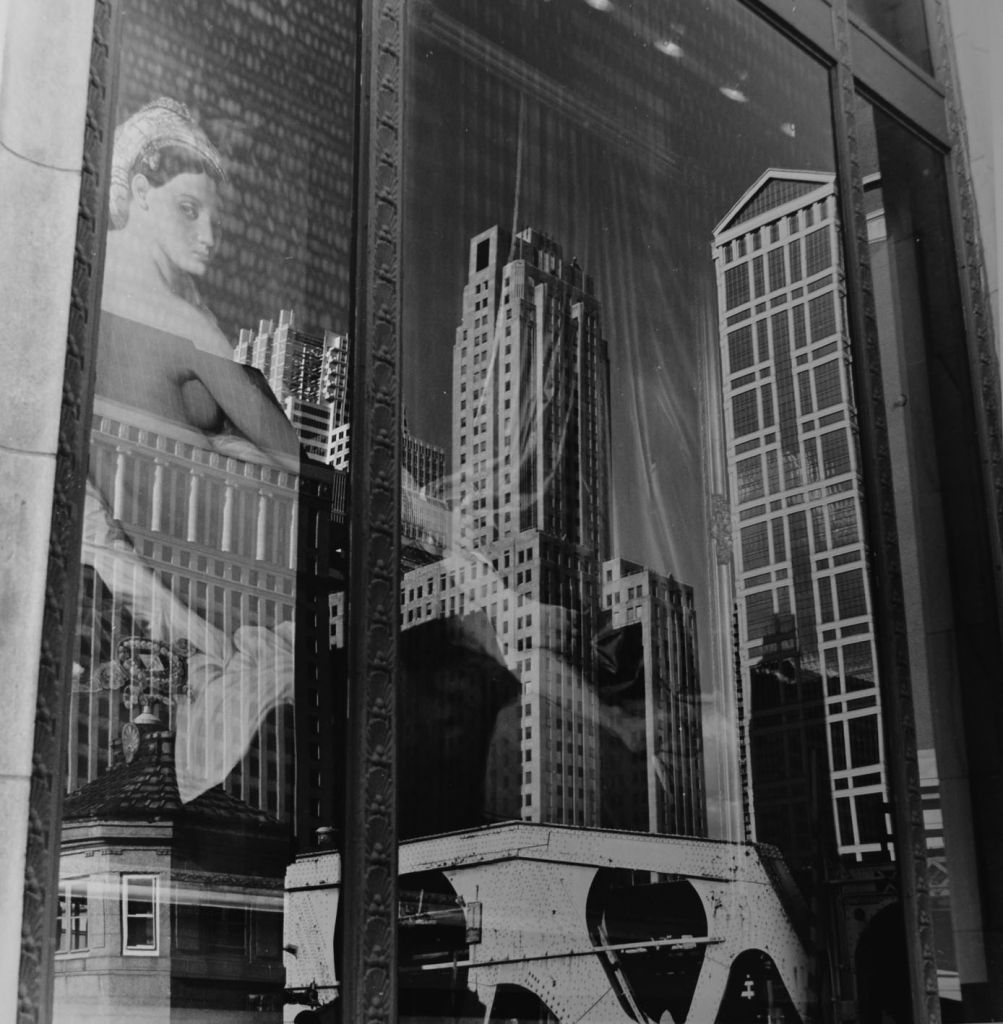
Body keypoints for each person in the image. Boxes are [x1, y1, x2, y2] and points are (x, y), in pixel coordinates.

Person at [77, 98, 301, 802]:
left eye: (214, 217)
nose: (210, 236)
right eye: (188, 210)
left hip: (187, 586)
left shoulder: (85, 313)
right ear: (139, 194)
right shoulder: (177, 318)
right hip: (245, 586)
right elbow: (295, 457)